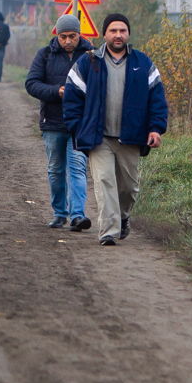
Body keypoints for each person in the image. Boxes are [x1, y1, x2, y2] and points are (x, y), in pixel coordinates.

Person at [62, 13, 168, 246]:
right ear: (104, 34)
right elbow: (72, 98)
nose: (118, 35)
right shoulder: (88, 62)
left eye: (122, 30)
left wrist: (155, 129)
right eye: (113, 30)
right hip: (99, 138)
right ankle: (108, 231)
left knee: (129, 188)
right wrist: (79, 128)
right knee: (104, 182)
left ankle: (122, 217)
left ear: (128, 34)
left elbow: (157, 100)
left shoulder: (143, 63)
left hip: (132, 136)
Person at [25, 14, 93, 231]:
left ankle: (77, 215)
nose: (67, 41)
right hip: (53, 122)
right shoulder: (45, 55)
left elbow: (102, 86)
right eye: (63, 36)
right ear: (57, 34)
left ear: (79, 34)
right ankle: (59, 213)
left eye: (72, 36)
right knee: (55, 169)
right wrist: (57, 91)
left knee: (77, 168)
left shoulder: (92, 56)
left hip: (80, 124)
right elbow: (32, 84)